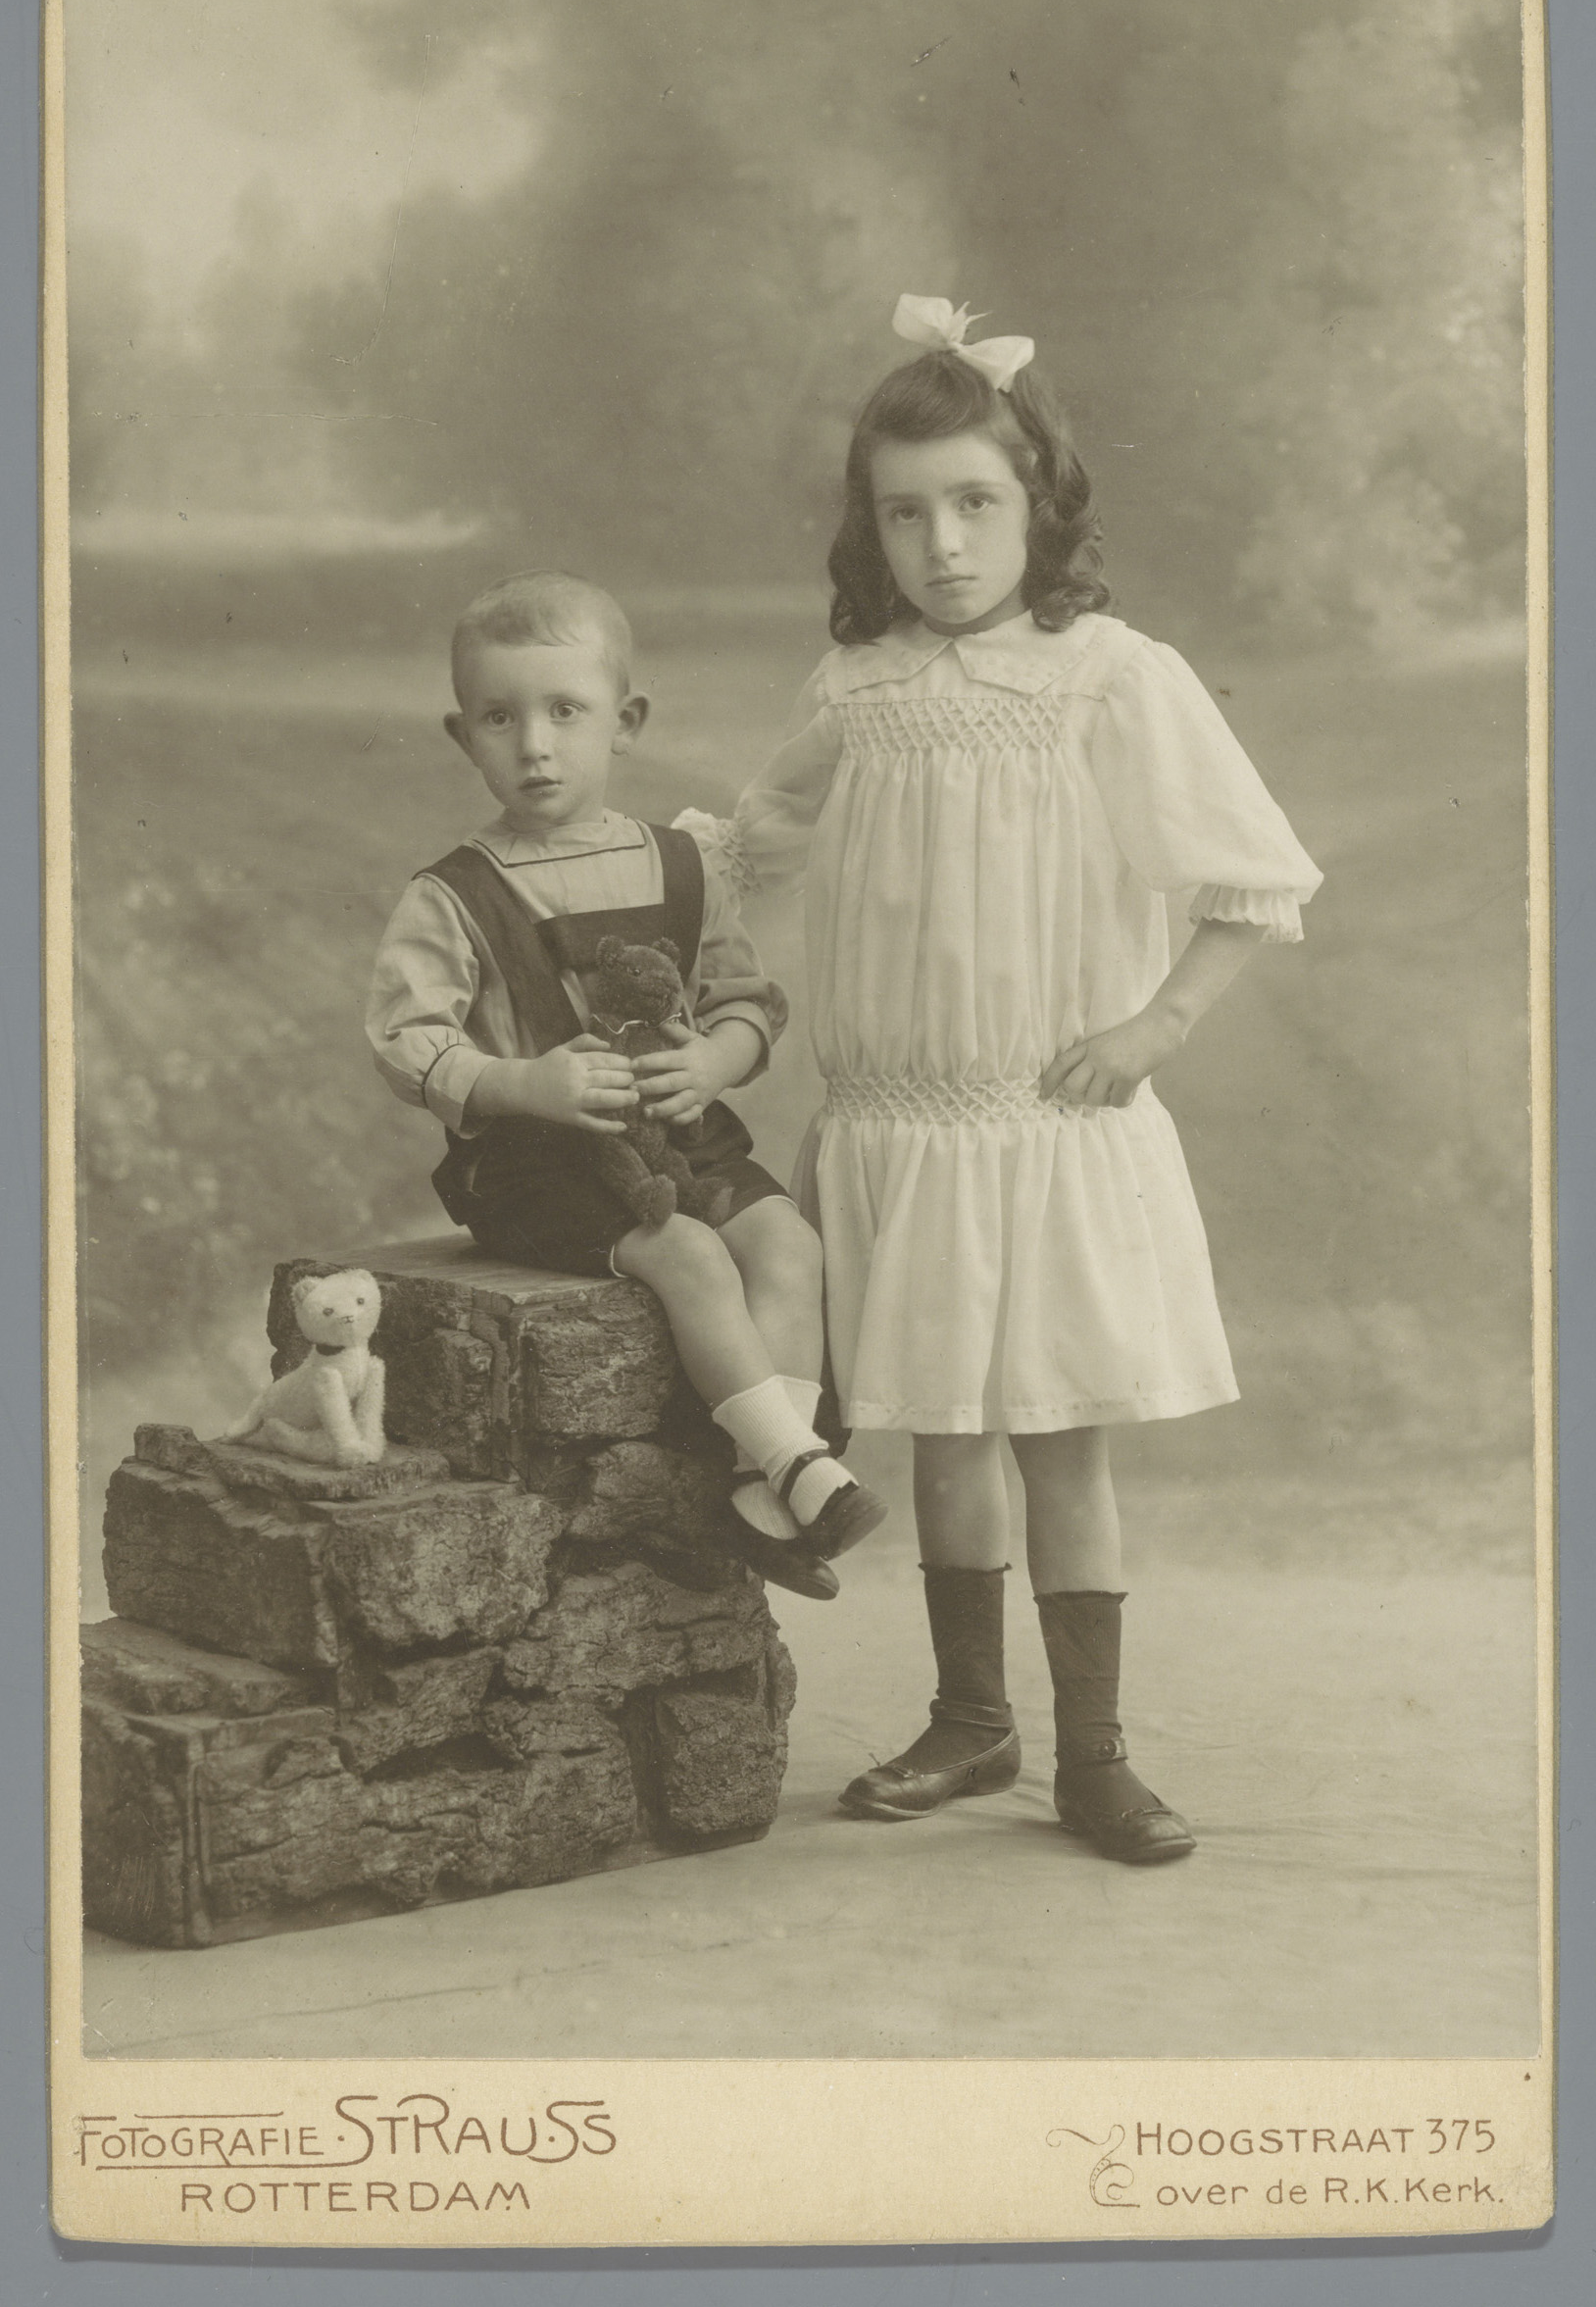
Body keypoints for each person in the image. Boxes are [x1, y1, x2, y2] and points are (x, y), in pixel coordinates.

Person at [678, 296, 1323, 1859]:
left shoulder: (1109, 677)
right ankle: (973, 1721)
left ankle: (1094, 1754)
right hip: (901, 1134)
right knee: (946, 1442)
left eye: (975, 503)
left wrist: (1154, 1029)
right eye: (906, 514)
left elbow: (1249, 881)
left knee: (1055, 1441)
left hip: (1047, 1129)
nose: (945, 545)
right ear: (870, 527)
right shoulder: (858, 686)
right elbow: (750, 846)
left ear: (1040, 503)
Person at [366, 570, 886, 1602]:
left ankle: (763, 1494)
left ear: (626, 721)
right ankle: (796, 1463)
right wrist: (522, 1081)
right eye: (500, 717)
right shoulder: (454, 893)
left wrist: (714, 1061)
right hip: (537, 1165)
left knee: (789, 1244)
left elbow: (745, 1002)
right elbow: (405, 1040)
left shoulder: (680, 864)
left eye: (566, 711)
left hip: (681, 1137)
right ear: (463, 735)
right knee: (686, 1251)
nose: (535, 745)